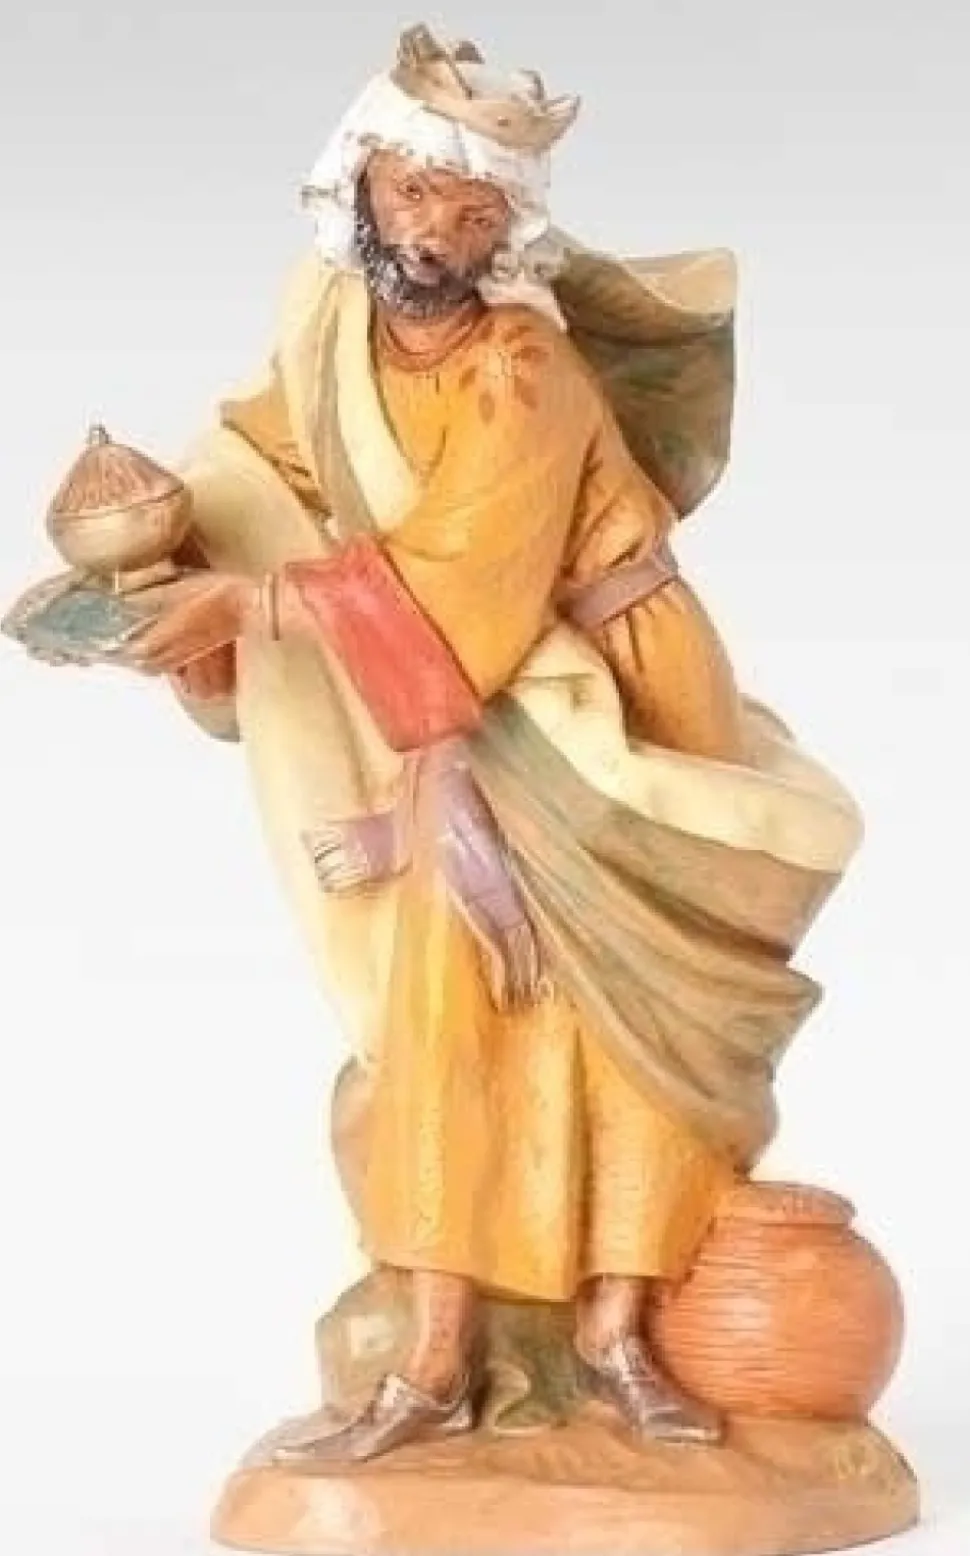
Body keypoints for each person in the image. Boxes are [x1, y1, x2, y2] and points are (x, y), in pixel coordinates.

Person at [118, 25, 863, 1461]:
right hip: (461, 691)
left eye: (471, 214)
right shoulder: (335, 324)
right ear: (358, 186)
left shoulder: (523, 369)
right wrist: (173, 543)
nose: (434, 237)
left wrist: (255, 604)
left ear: (504, 231)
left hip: (605, 690)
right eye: (412, 195)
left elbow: (469, 580)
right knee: (445, 1012)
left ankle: (616, 1335)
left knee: (625, 1022)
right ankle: (432, 1359)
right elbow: (269, 454)